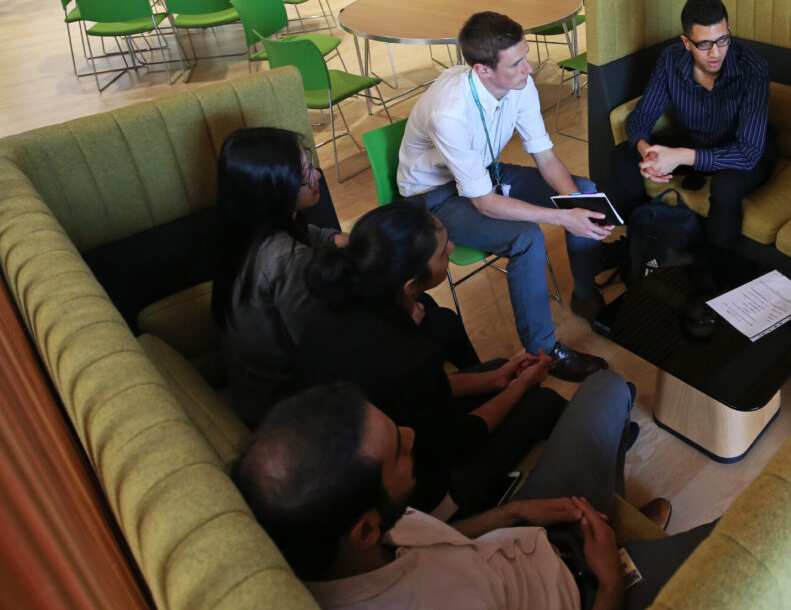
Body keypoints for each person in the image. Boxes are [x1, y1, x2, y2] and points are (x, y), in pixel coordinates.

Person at [234, 378, 709, 610]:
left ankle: (614, 518)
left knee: (607, 387)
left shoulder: (346, 535)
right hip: (584, 593)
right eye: (398, 450)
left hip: (528, 537)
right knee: (736, 541)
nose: (411, 435)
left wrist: (521, 510)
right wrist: (607, 582)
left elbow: (443, 539)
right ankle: (624, 550)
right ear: (363, 529)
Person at [300, 197, 567, 515]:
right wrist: (518, 387)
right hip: (411, 500)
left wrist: (497, 378)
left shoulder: (335, 307)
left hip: (363, 452)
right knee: (544, 401)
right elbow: (461, 439)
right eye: (443, 251)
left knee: (498, 369)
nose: (452, 248)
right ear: (411, 285)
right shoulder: (406, 354)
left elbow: (414, 396)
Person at [396, 11, 611, 380]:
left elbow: (544, 156)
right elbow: (483, 203)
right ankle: (545, 352)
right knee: (527, 238)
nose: (529, 68)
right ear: (482, 70)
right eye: (516, 63)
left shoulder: (519, 83)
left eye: (526, 56)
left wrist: (577, 203)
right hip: (434, 197)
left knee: (585, 191)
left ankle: (585, 294)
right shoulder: (450, 112)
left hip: (483, 173)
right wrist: (562, 217)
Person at [611, 0, 774, 262]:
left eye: (723, 40)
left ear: (729, 31)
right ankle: (642, 240)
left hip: (744, 153)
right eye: (704, 44)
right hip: (695, 142)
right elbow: (641, 117)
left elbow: (748, 153)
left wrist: (680, 157)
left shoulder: (753, 69)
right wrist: (647, 152)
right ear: (686, 42)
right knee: (621, 158)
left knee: (725, 186)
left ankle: (713, 273)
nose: (716, 53)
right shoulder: (671, 59)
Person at [211, 127, 348, 427]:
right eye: (305, 172)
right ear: (274, 187)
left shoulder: (244, 229)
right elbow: (323, 346)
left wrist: (341, 240)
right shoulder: (286, 259)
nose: (318, 176)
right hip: (285, 408)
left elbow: (309, 234)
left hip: (251, 392)